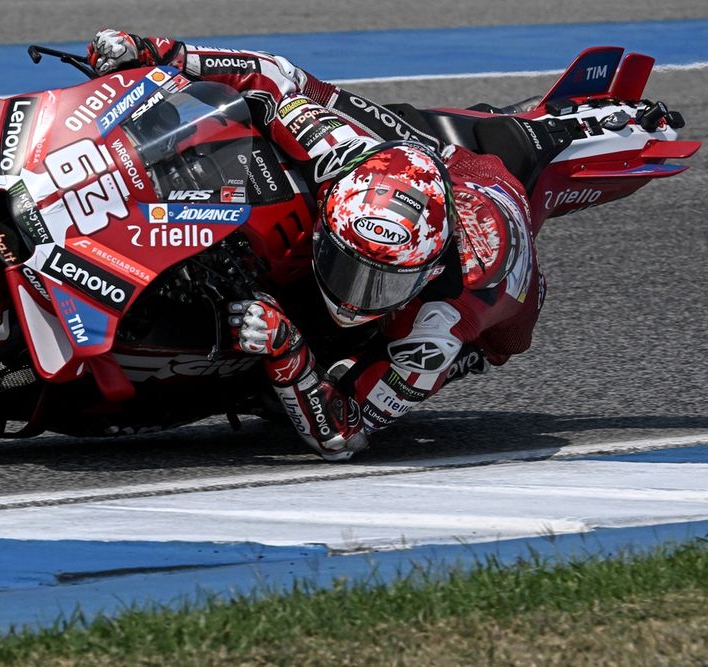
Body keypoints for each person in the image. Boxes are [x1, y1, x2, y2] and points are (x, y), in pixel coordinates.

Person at [88, 30, 545, 461]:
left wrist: (289, 353)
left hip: (497, 268)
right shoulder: (337, 151)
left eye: (382, 285)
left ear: (428, 273)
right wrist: (155, 51)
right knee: (296, 119)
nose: (354, 298)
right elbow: (273, 75)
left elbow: (344, 436)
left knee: (504, 342)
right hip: (432, 163)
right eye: (349, 268)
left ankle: (468, 353)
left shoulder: (441, 321)